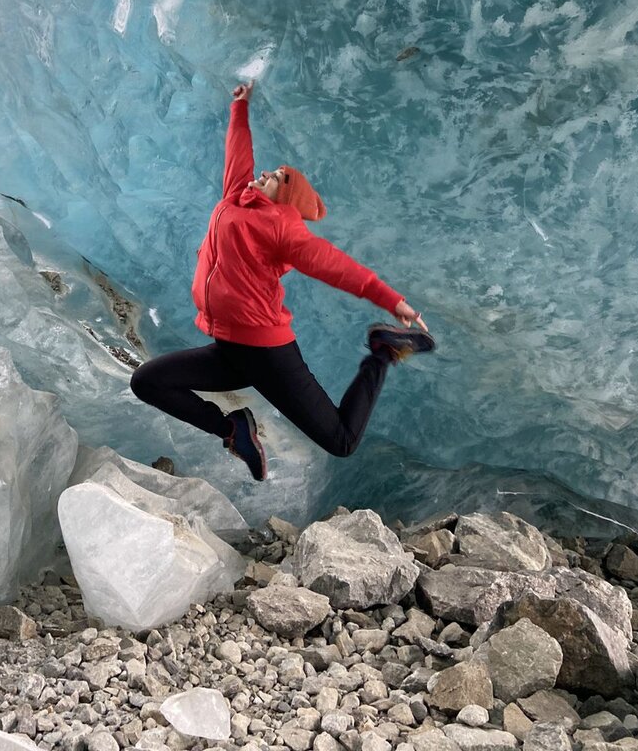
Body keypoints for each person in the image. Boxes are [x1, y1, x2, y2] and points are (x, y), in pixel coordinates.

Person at [130, 82, 433, 481]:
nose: (263, 174)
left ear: (283, 199)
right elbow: (238, 150)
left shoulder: (282, 228)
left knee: (341, 440)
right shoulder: (236, 196)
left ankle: (381, 352)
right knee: (148, 381)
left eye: (274, 178)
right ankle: (233, 429)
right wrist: (240, 106)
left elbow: (335, 265)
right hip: (229, 349)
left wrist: (391, 300)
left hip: (267, 355)